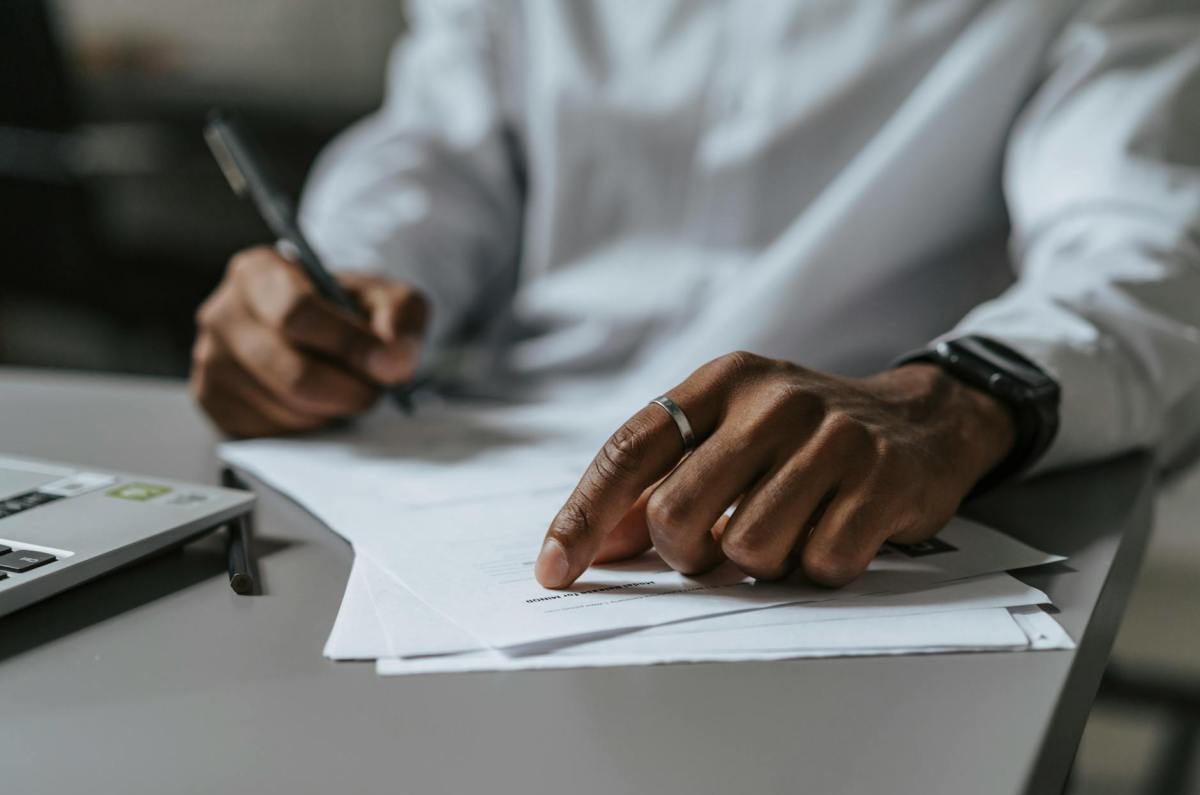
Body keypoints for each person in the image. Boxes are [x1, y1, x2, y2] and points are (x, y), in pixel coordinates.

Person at [191, 0, 1200, 591]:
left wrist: (963, 393)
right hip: (451, 469)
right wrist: (346, 287)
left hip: (853, 520)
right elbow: (442, 147)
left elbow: (1145, 238)